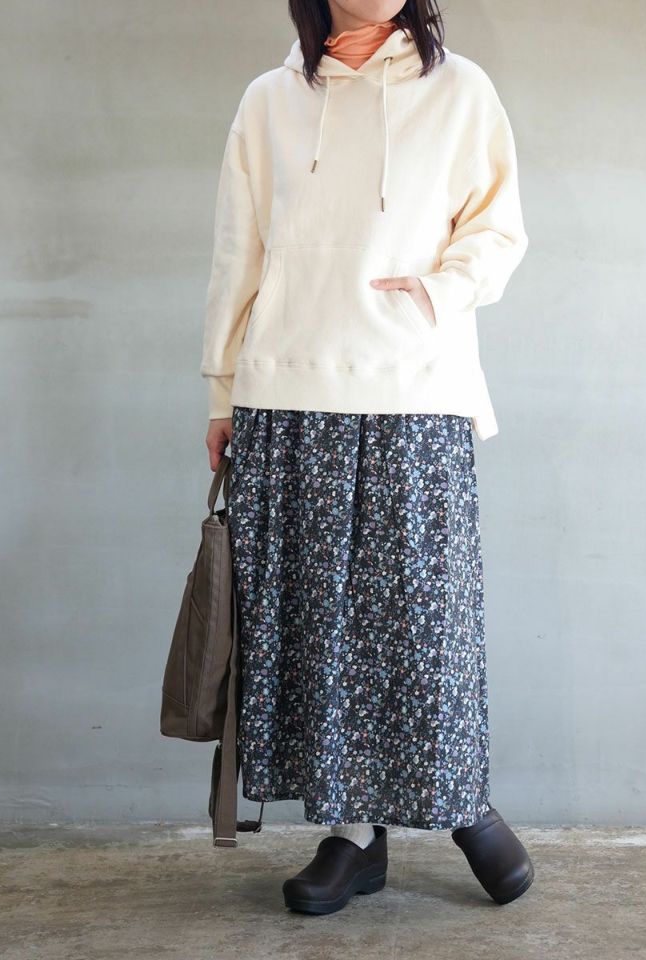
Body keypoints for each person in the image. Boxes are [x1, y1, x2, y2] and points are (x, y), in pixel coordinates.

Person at [201, 0, 533, 916]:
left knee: (427, 624)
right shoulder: (269, 101)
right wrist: (224, 389)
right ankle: (354, 834)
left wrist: (436, 292)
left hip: (414, 391)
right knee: (320, 633)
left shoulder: (460, 91)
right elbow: (238, 251)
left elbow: (499, 228)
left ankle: (462, 800)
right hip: (288, 394)